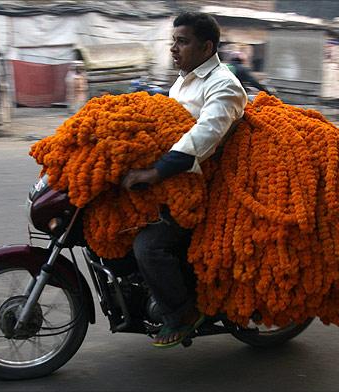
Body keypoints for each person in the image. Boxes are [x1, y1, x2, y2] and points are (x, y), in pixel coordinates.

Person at [122, 12, 247, 348]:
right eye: (173, 41)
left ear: (206, 46)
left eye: (182, 41)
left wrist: (154, 171)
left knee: (148, 246)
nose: (173, 48)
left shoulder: (224, 85)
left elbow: (202, 138)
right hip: (171, 179)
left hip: (202, 187)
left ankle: (181, 313)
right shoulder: (183, 79)